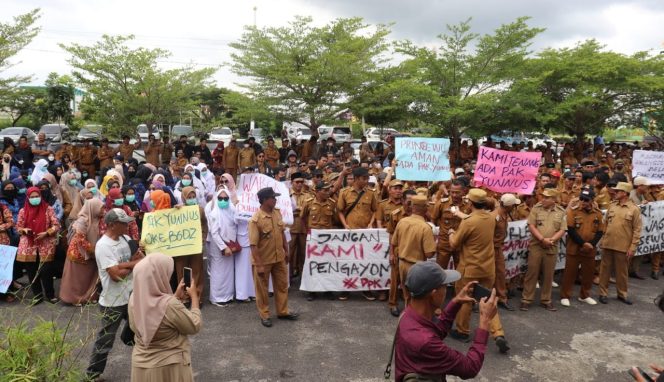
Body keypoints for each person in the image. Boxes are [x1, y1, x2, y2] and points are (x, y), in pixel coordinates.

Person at [392, 261, 498, 382]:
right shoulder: (425, 342)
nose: (447, 291)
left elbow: (436, 331)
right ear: (434, 294)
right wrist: (485, 322)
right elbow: (470, 367)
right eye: (445, 286)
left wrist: (456, 302)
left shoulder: (407, 315)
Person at [449, 188, 510, 354]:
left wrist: (451, 233)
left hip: (470, 268)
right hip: (488, 268)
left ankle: (462, 331)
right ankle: (498, 333)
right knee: (488, 300)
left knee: (466, 299)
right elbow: (477, 217)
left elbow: (455, 244)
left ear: (469, 202)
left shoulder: (468, 222)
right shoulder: (491, 218)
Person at [86, 208, 144, 381]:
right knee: (105, 340)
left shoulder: (126, 239)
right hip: (113, 301)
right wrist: (133, 264)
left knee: (142, 331)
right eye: (123, 222)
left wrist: (125, 265)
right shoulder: (103, 246)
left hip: (132, 296)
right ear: (111, 225)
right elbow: (116, 276)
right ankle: (92, 375)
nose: (128, 224)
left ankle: (145, 365)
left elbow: (140, 258)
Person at [128, 253, 202, 382]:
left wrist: (175, 297)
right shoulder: (169, 305)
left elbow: (153, 314)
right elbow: (194, 325)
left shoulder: (134, 299)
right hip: (170, 367)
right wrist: (195, 297)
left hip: (141, 367)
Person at [249, 187, 298, 327]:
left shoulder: (277, 213)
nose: (275, 200)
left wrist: (286, 251)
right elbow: (253, 245)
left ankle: (283, 311)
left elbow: (282, 233)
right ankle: (264, 315)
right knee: (262, 290)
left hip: (279, 258)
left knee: (282, 286)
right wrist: (258, 265)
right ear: (264, 200)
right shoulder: (255, 220)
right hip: (263, 261)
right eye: (273, 198)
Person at [520, 188, 567, 312]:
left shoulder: (560, 211)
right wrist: (542, 239)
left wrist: (551, 240)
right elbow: (531, 225)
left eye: (547, 198)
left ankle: (546, 300)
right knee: (532, 272)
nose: (543, 199)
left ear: (554, 200)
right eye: (543, 197)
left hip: (552, 246)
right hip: (536, 245)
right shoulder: (536, 208)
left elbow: (562, 229)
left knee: (548, 275)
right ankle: (526, 299)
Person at [598, 182, 642, 305]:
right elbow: (606, 223)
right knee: (604, 270)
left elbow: (637, 230)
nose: (614, 193)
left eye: (617, 191)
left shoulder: (634, 209)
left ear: (624, 193)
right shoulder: (612, 206)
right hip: (608, 243)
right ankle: (603, 293)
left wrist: (632, 247)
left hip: (623, 246)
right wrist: (603, 239)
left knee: (622, 272)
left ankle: (622, 294)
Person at [16, 186, 61, 303]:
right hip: (29, 245)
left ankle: (50, 295)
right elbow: (18, 227)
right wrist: (24, 230)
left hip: (45, 243)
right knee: (32, 272)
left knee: (46, 271)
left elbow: (56, 225)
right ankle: (37, 296)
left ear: (40, 197)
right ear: (28, 198)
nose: (35, 199)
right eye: (32, 197)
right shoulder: (23, 211)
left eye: (37, 196)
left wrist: (47, 233)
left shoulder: (48, 209)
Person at [391, 194, 436, 305]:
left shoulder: (402, 222)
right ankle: (413, 319)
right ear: (426, 208)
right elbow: (430, 254)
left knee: (407, 296)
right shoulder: (425, 227)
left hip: (402, 264)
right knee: (417, 297)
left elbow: (394, 242)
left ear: (412, 207)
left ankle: (407, 317)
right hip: (416, 266)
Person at [60, 198, 103, 306]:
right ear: (94, 208)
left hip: (92, 252)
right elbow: (80, 238)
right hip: (79, 253)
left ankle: (88, 297)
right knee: (77, 279)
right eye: (101, 208)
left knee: (89, 277)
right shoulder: (83, 220)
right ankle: (73, 298)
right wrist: (93, 249)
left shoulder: (99, 219)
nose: (103, 210)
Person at [174, 186, 207, 301]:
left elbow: (204, 225)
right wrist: (176, 210)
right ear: (183, 198)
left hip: (196, 245)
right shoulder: (178, 210)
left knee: (196, 270)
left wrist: (202, 239)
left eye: (194, 197)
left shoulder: (200, 210)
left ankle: (197, 297)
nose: (192, 199)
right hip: (182, 247)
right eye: (189, 197)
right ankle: (184, 296)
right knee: (182, 270)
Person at [206, 188, 238, 306]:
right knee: (218, 272)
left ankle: (227, 296)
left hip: (230, 245)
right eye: (220, 198)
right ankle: (217, 297)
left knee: (228, 272)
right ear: (216, 198)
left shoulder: (232, 210)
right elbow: (214, 233)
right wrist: (223, 247)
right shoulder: (214, 213)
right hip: (219, 247)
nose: (223, 200)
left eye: (225, 198)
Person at [492, 193, 520, 311]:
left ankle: (501, 298)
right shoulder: (494, 216)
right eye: (514, 205)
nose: (515, 207)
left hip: (498, 248)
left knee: (500, 273)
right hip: (490, 249)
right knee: (487, 275)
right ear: (509, 206)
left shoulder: (504, 214)